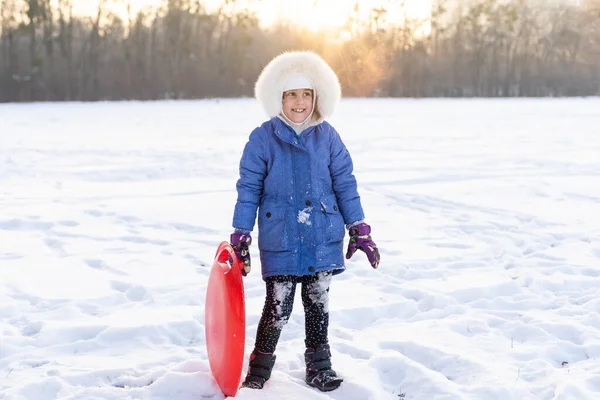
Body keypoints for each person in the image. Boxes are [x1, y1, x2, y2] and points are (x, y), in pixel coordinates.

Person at [230, 50, 380, 392]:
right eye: (292, 94)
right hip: (280, 233)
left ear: (317, 96)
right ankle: (260, 366)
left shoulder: (328, 137)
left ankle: (319, 367)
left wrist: (358, 227)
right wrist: (241, 232)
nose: (300, 102)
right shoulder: (262, 138)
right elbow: (249, 187)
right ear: (278, 97)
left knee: (318, 302)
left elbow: (345, 183)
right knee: (278, 303)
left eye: (306, 94)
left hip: (321, 233)